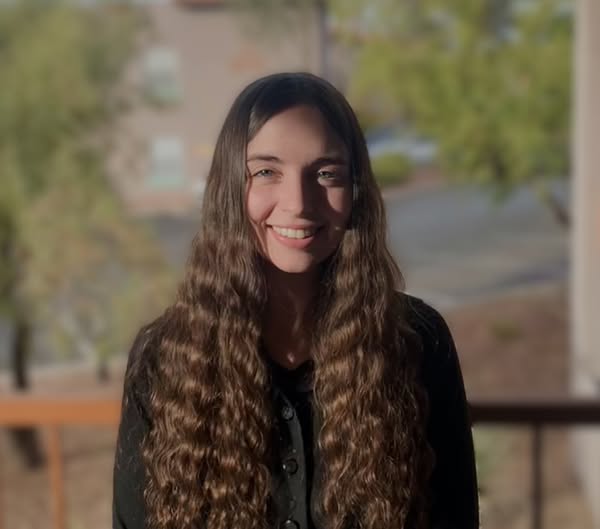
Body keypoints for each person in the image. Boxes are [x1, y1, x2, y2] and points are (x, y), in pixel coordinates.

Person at [112, 72, 479, 529]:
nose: (299, 202)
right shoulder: (162, 358)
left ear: (355, 190)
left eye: (325, 173)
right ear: (230, 188)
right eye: (267, 172)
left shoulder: (418, 342)